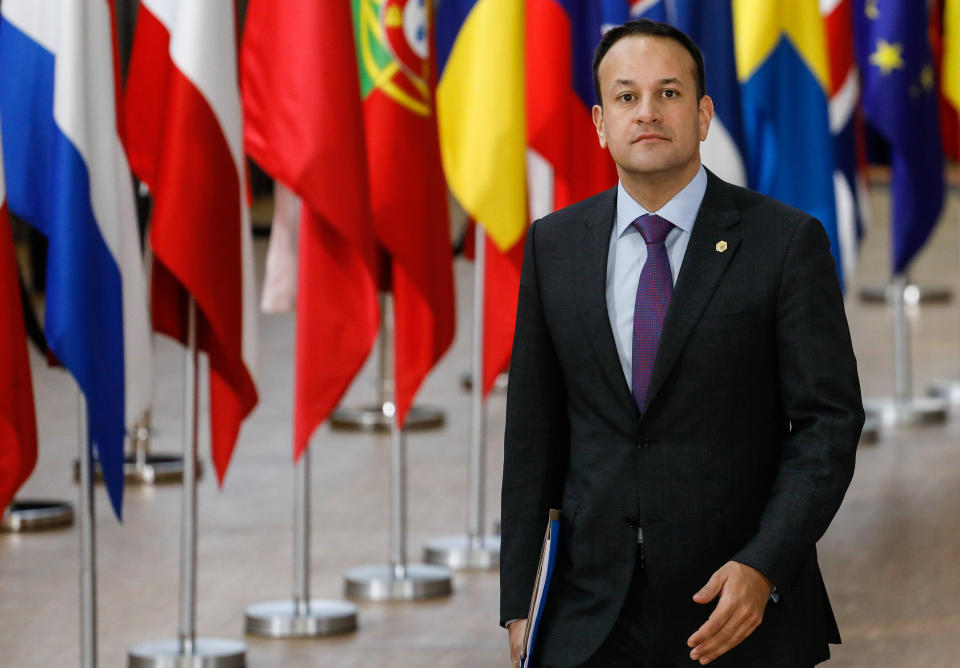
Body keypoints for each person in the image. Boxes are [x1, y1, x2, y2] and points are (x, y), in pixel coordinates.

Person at [500, 19, 863, 668]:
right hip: (587, 619)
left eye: (668, 94)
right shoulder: (554, 247)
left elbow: (827, 425)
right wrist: (519, 601)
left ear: (702, 116)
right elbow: (533, 435)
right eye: (626, 96)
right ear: (599, 122)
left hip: (737, 608)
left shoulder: (784, 243)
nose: (647, 112)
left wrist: (765, 564)